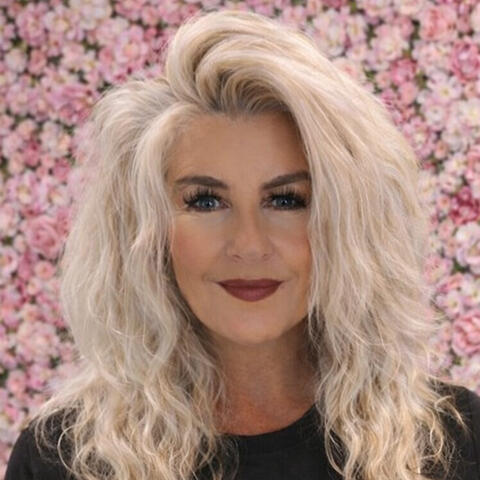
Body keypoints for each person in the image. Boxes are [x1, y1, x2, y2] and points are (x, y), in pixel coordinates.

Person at [5, 8, 480, 480]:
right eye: (206, 201)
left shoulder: (456, 442)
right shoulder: (61, 459)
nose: (249, 246)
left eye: (287, 200)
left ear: (348, 222)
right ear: (142, 227)